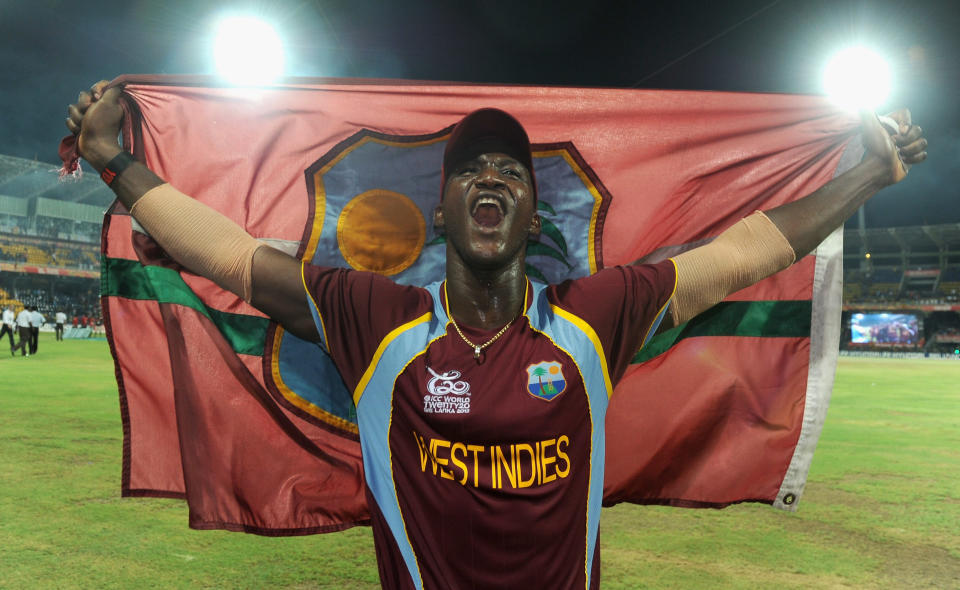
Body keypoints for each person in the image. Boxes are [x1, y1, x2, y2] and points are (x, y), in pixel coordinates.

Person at [67, 80, 926, 590]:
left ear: (530, 209)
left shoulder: (596, 319)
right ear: (444, 209)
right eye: (471, 169)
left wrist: (868, 173)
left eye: (510, 170)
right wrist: (115, 162)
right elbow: (235, 257)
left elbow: (738, 256)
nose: (491, 178)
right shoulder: (377, 320)